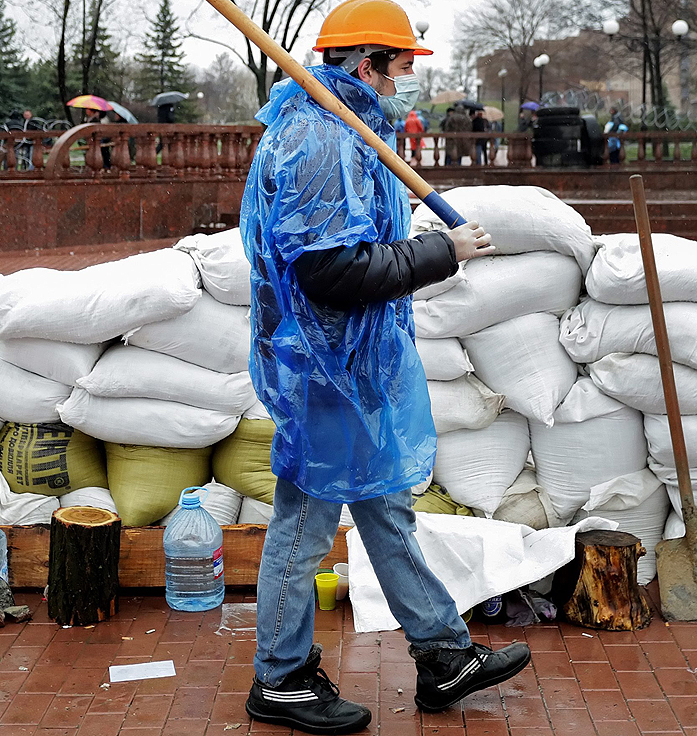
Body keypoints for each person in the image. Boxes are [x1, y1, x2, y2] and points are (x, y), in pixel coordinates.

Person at [239, 1, 531, 733]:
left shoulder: (346, 129)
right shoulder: (319, 139)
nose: (408, 81)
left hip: (350, 363)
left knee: (383, 507)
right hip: (324, 370)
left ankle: (442, 654)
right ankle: (279, 677)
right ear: (365, 65)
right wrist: (443, 253)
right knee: (304, 524)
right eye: (401, 66)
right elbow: (330, 271)